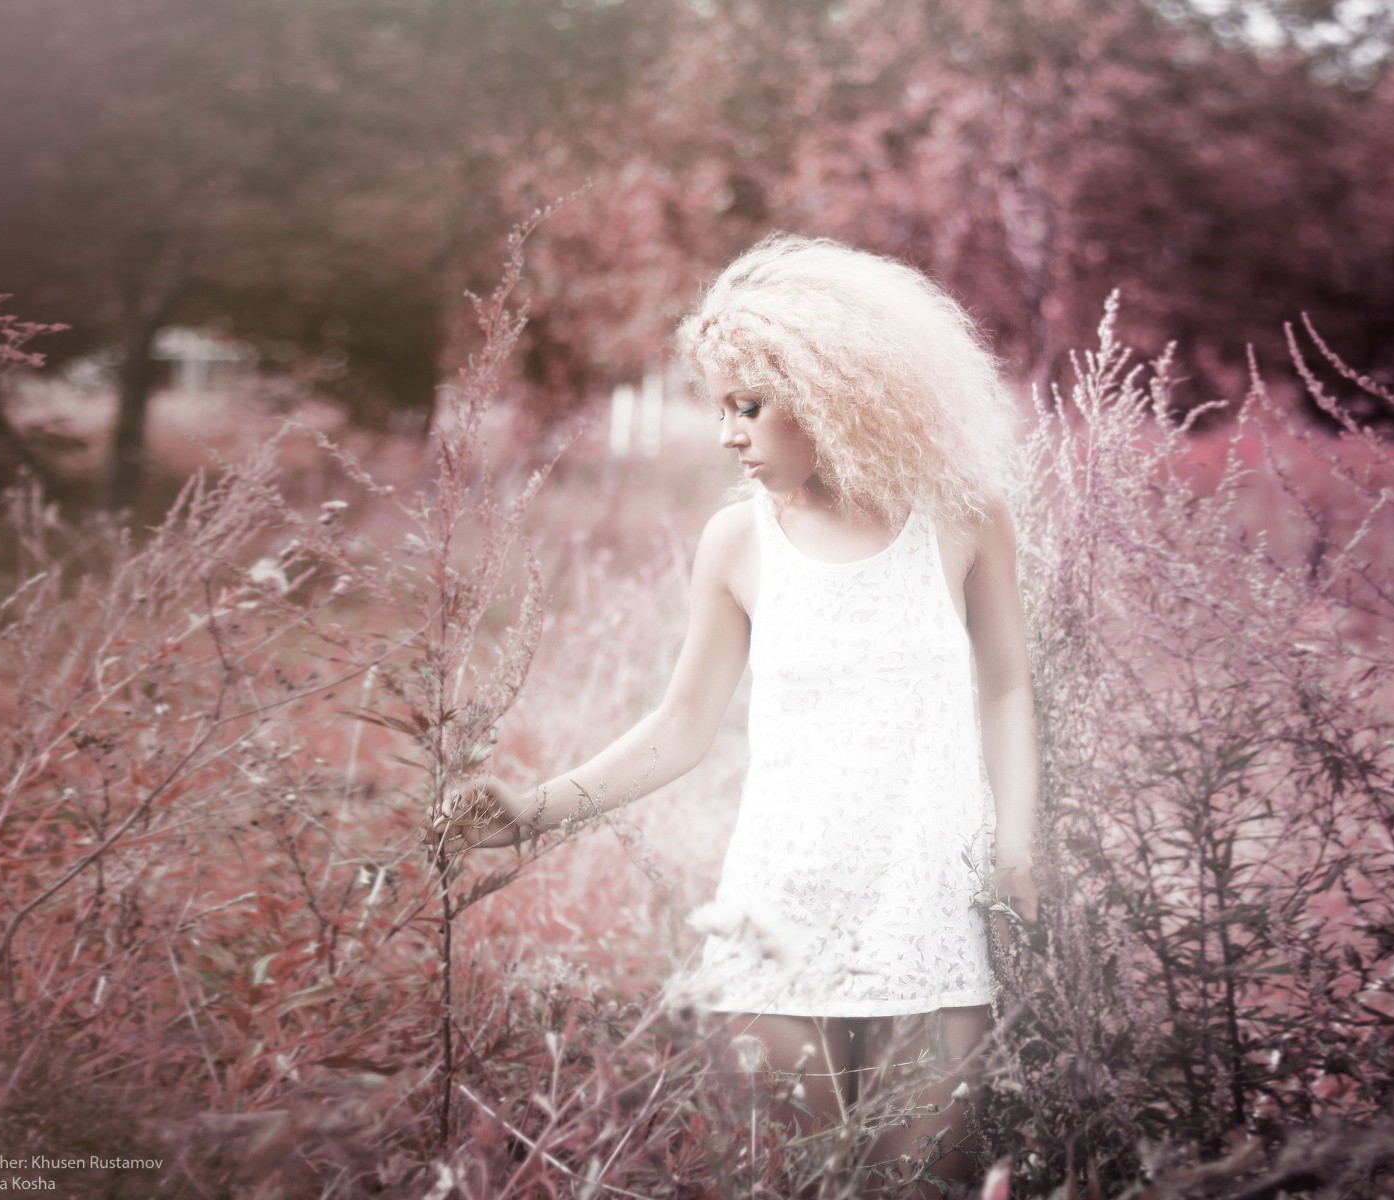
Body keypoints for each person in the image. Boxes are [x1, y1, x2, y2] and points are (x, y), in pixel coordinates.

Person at [440, 233, 1040, 1197]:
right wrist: (531, 812)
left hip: (927, 901)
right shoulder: (736, 543)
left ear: (837, 393)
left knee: (922, 1183)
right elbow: (682, 725)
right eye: (720, 409)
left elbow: (1006, 685)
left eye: (747, 407)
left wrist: (1017, 844)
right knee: (802, 1183)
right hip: (780, 906)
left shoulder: (963, 517)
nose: (727, 435)